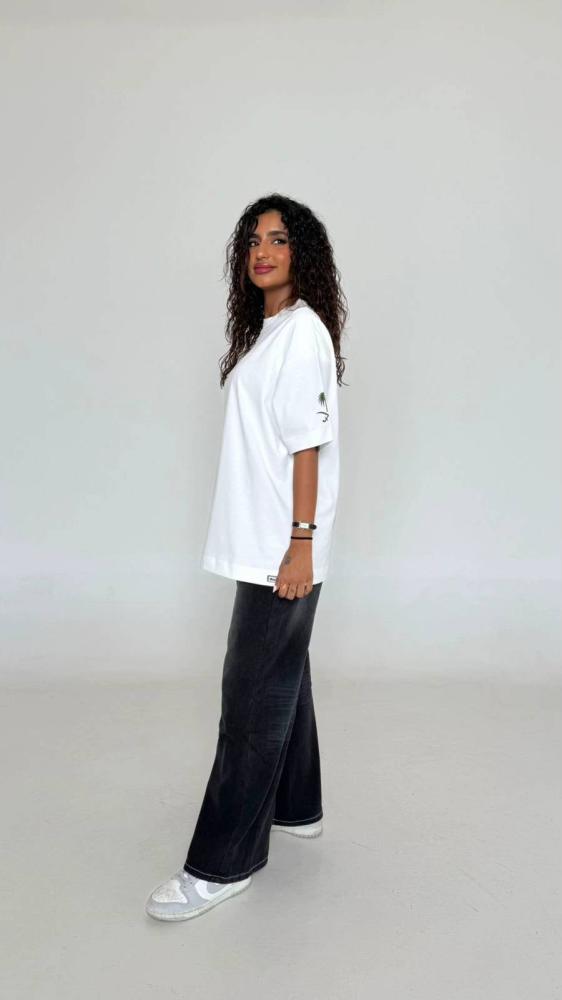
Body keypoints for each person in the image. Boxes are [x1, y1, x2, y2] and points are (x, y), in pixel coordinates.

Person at [145, 193, 348, 922]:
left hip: (279, 549)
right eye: (253, 240)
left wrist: (300, 545)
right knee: (282, 673)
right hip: (264, 542)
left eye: (279, 239)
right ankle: (296, 806)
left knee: (250, 699)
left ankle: (221, 865)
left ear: (303, 254)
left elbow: (307, 447)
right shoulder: (269, 334)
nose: (263, 251)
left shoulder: (303, 333)